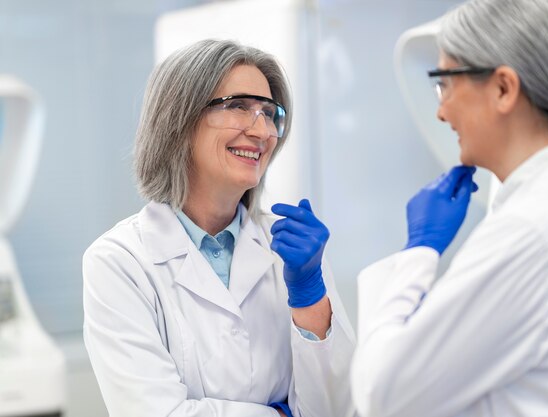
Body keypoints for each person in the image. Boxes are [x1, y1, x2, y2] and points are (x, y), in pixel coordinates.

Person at [350, 0, 548, 416]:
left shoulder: (532, 229)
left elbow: (381, 395)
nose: (441, 111)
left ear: (503, 89)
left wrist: (419, 252)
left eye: (444, 83)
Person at [82, 39, 355, 417]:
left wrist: (309, 295)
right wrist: (280, 413)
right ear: (179, 120)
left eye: (269, 112)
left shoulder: (294, 250)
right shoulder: (120, 262)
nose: (262, 131)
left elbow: (338, 409)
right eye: (239, 107)